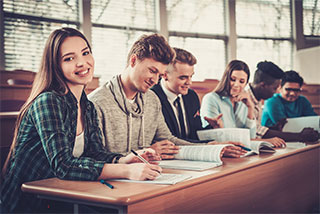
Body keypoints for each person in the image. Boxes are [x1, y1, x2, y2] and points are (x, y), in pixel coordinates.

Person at [1, 28, 161, 213]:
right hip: (29, 203)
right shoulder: (49, 101)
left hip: (61, 196)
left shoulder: (87, 105)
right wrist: (125, 171)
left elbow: (95, 153)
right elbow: (64, 165)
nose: (82, 63)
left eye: (85, 53)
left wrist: (125, 160)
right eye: (69, 58)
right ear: (55, 65)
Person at [89, 34, 240, 160]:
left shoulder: (152, 99)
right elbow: (94, 156)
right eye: (152, 71)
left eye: (159, 75)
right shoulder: (97, 102)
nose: (155, 81)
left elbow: (169, 140)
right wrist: (147, 152)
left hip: (149, 177)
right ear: (133, 61)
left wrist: (210, 147)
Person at [151, 47, 247, 157]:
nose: (189, 82)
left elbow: (193, 135)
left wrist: (210, 128)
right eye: (183, 78)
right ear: (165, 75)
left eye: (191, 76)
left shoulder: (191, 96)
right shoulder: (153, 98)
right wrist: (211, 146)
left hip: (191, 156)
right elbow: (169, 140)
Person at [247, 62, 317, 143]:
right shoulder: (245, 100)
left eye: (296, 90)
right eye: (275, 88)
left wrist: (274, 128)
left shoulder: (257, 99)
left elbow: (256, 129)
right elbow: (257, 131)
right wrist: (300, 136)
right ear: (263, 86)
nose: (276, 91)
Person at [200, 60, 257, 139]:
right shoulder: (211, 99)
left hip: (241, 149)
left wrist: (250, 108)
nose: (236, 85)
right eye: (233, 79)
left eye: (241, 81)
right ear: (226, 79)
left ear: (246, 84)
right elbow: (214, 137)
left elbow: (251, 137)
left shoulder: (245, 104)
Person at [261, 70, 318, 142]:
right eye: (288, 89)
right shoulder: (271, 101)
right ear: (280, 88)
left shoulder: (303, 100)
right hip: (274, 140)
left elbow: (313, 120)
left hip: (295, 138)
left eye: (296, 90)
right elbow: (285, 126)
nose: (292, 93)